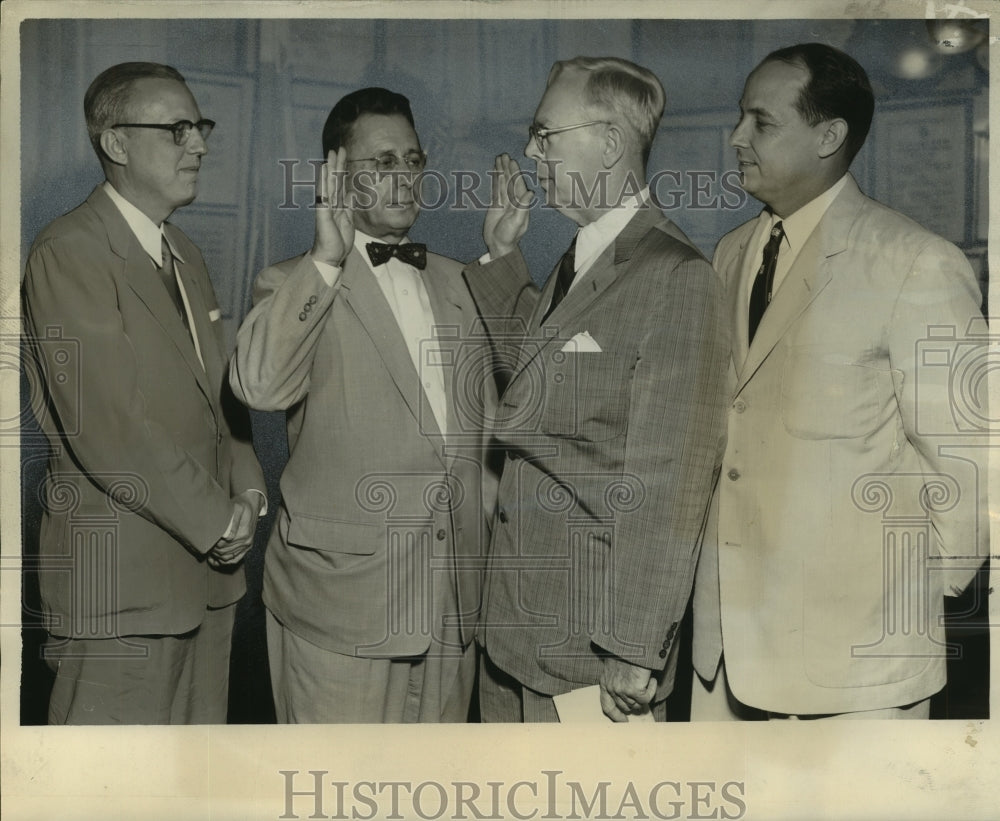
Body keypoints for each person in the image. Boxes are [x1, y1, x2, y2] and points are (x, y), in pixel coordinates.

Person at [691, 43, 988, 720]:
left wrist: (903, 595)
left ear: (828, 136)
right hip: (730, 644)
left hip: (856, 657)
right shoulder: (732, 252)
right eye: (741, 118)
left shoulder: (914, 262)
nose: (735, 137)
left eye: (760, 122)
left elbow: (972, 457)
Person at [464, 56, 728, 722]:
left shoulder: (675, 276)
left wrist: (635, 646)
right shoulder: (582, 256)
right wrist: (501, 256)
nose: (531, 151)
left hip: (593, 654)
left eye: (544, 134)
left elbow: (672, 480)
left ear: (609, 143)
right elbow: (536, 381)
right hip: (516, 633)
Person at [229, 87, 498, 723]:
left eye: (413, 160)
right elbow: (260, 387)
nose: (404, 179)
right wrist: (326, 256)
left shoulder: (462, 280)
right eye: (382, 164)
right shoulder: (292, 281)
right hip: (340, 602)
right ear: (337, 174)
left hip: (451, 604)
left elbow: (491, 435)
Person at [22, 62, 266, 724]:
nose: (200, 144)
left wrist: (246, 489)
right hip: (119, 595)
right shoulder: (68, 251)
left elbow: (223, 396)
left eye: (200, 126)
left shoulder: (184, 251)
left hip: (207, 586)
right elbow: (111, 427)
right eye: (177, 128)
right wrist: (217, 520)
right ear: (116, 143)